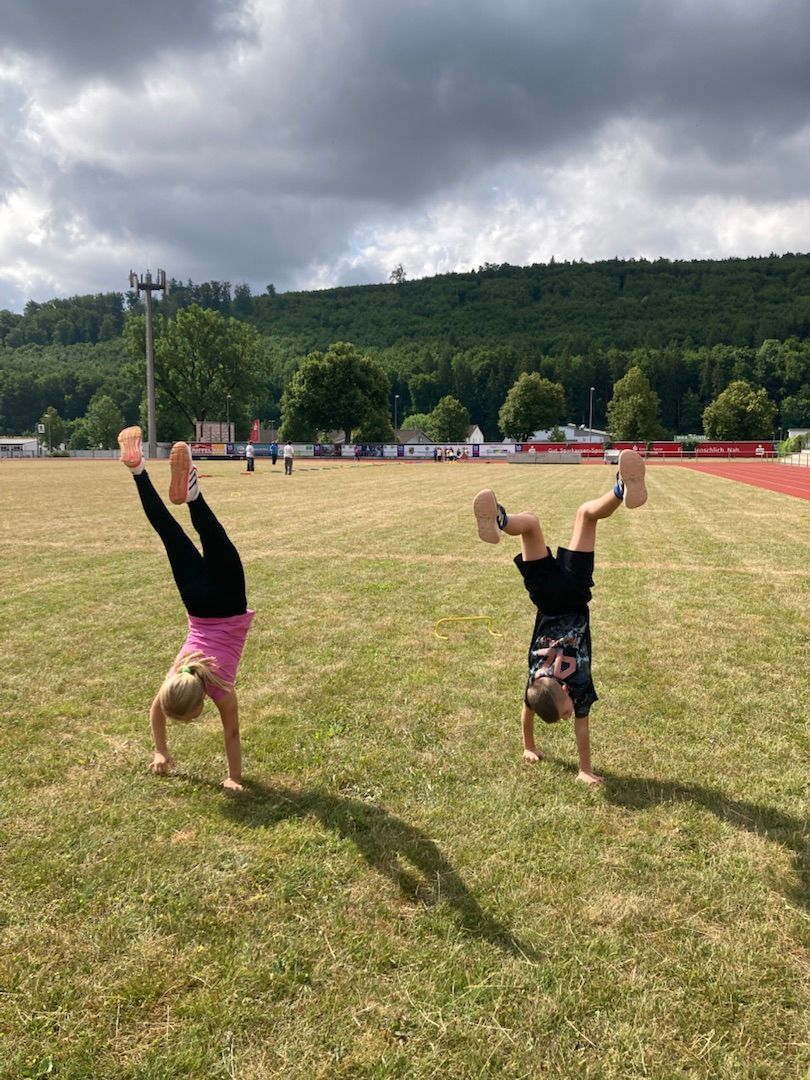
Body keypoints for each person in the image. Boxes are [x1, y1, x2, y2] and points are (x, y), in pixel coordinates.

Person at [472, 449, 647, 784]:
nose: (570, 715)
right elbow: (527, 711)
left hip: (575, 595)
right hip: (547, 599)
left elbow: (582, 728)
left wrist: (585, 769)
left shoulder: (577, 685)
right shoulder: (536, 681)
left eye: (566, 710)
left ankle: (620, 490)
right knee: (531, 525)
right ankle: (502, 520)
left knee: (586, 516)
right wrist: (527, 745)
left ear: (565, 692)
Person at [117, 426, 254, 791]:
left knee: (214, 537)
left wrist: (234, 777)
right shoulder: (178, 672)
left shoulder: (221, 688)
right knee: (169, 532)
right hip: (196, 600)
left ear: (200, 703)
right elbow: (157, 709)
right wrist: (159, 750)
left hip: (229, 602)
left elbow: (232, 732)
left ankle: (194, 496)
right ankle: (138, 470)